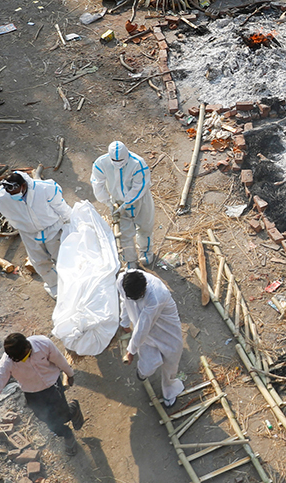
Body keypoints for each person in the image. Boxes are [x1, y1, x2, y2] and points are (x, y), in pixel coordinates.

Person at [0, 171, 71, 296]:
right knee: (39, 262)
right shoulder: (2, 197)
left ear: (23, 185)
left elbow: (60, 206)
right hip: (29, 234)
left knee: (63, 257)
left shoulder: (44, 189)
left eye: (15, 192)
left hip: (53, 229)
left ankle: (71, 283)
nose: (13, 195)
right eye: (10, 193)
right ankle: (54, 285)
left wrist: (71, 220)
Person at [0, 333, 83, 455]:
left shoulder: (43, 343)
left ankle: (73, 409)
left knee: (63, 415)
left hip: (53, 386)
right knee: (48, 421)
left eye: (24, 357)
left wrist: (70, 373)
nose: (23, 361)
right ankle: (68, 435)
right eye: (18, 360)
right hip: (32, 393)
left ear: (27, 346)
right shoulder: (7, 363)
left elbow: (59, 359)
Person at [117, 269, 184, 407]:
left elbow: (143, 326)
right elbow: (124, 301)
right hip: (142, 326)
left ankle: (169, 391)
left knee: (171, 359)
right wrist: (124, 322)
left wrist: (131, 350)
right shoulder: (121, 281)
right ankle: (142, 372)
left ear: (144, 289)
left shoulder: (155, 296)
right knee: (148, 364)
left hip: (166, 325)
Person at [91, 141, 154, 266]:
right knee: (124, 233)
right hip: (117, 202)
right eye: (115, 160)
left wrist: (126, 203)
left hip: (140, 200)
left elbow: (139, 187)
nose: (118, 163)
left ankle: (146, 252)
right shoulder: (101, 163)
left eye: (121, 160)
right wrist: (107, 202)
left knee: (145, 227)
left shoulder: (138, 163)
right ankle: (130, 260)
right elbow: (97, 183)